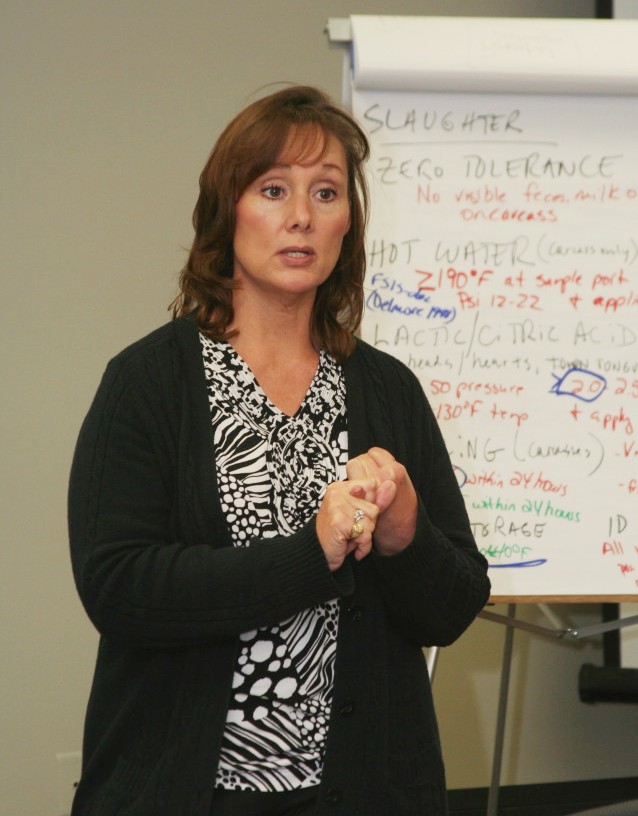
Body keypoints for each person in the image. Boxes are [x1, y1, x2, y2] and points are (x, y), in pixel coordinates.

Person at [68, 85, 490, 816]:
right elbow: (118, 588)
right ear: (226, 210)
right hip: (188, 795)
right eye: (273, 190)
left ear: (348, 223)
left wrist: (406, 535)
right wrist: (312, 554)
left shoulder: (387, 389)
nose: (301, 216)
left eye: (326, 193)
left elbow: (451, 611)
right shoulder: (148, 382)